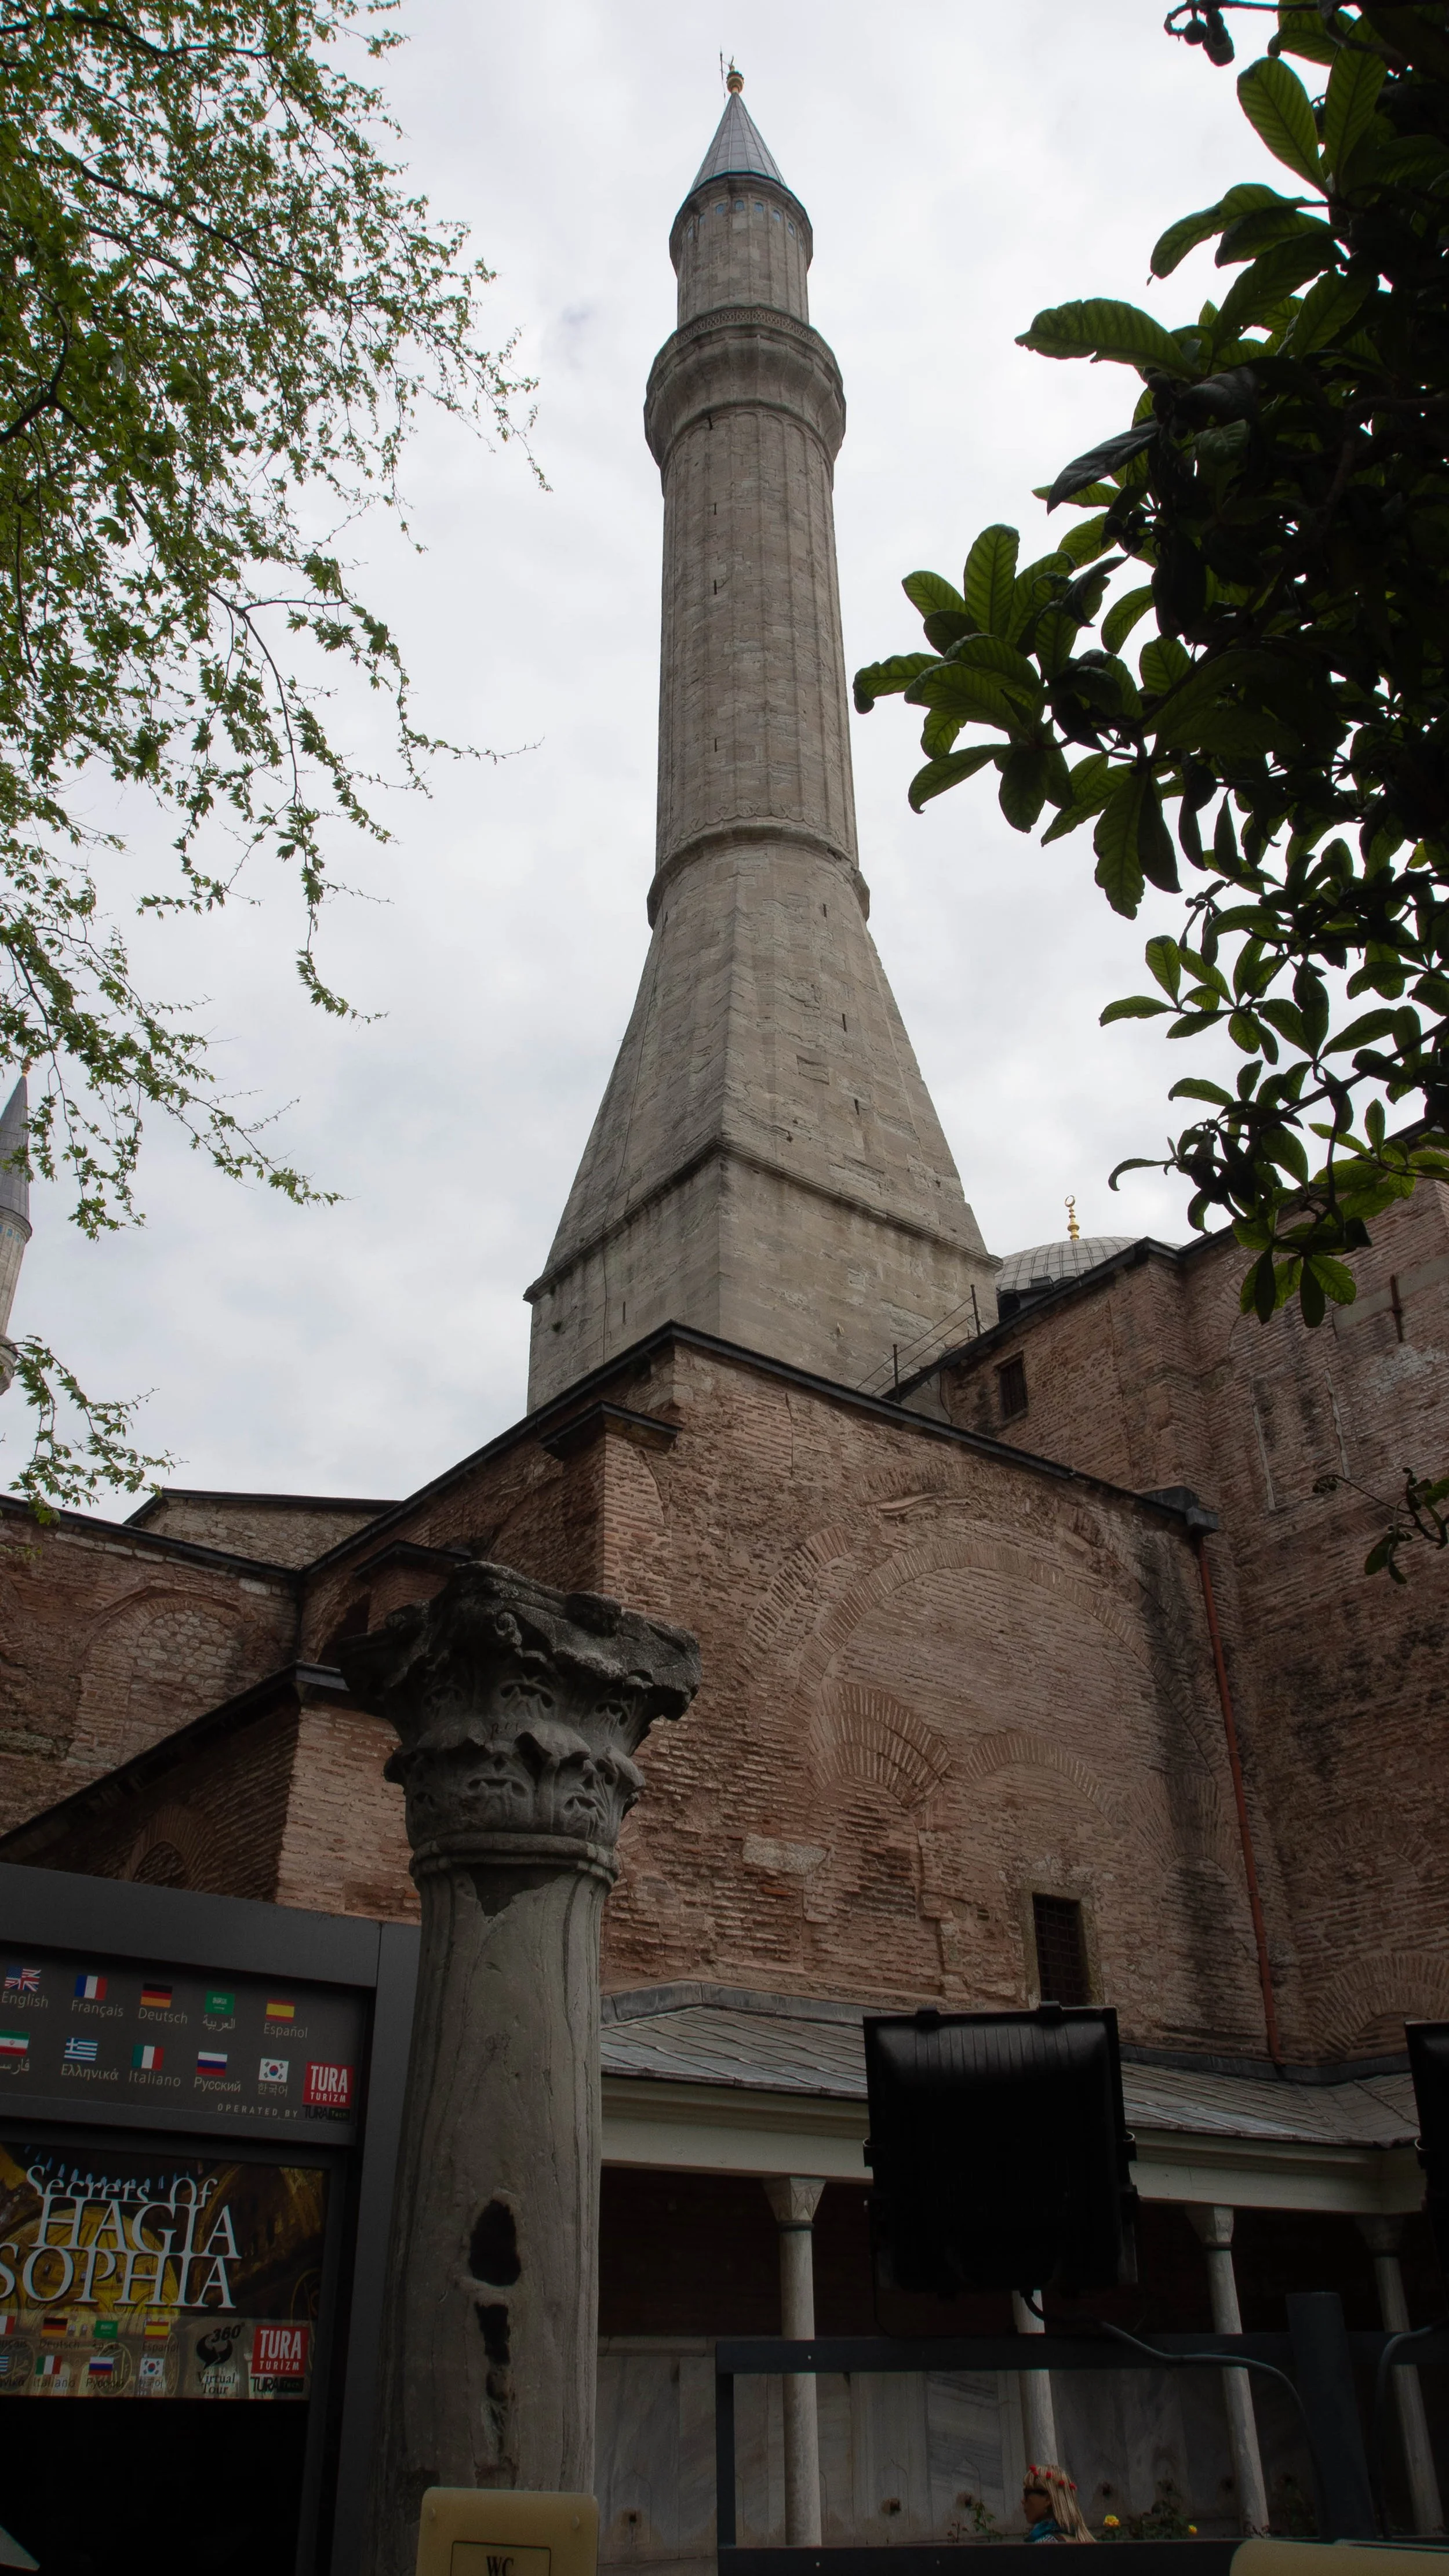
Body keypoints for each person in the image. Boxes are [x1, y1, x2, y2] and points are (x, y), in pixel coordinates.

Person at [1022, 2465, 1095, 2543]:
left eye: (1027, 2493)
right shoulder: (1085, 2540)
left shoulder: (1044, 2543)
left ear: (1047, 2499)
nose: (1023, 2501)